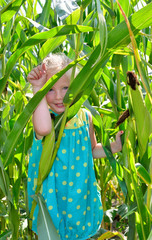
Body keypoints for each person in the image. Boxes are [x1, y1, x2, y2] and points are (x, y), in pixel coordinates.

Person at [27, 53, 123, 240]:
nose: (59, 96)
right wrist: (37, 89)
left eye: (66, 87)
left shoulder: (85, 117)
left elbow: (92, 151)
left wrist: (114, 147)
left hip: (79, 193)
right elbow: (45, 129)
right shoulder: (45, 116)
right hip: (51, 194)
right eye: (50, 90)